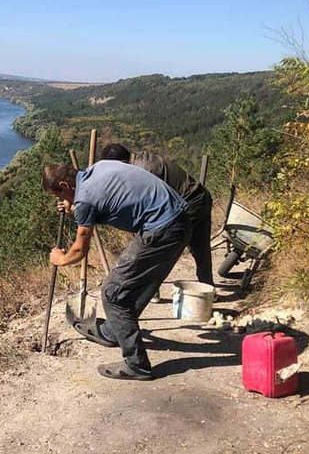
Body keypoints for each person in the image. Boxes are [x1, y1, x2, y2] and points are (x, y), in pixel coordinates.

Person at [43, 160, 192, 380]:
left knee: (112, 293)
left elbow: (79, 251)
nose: (61, 202)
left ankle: (137, 364)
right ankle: (113, 332)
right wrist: (74, 206)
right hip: (180, 218)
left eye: (59, 197)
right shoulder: (100, 167)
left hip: (161, 229)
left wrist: (60, 259)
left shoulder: (84, 200)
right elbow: (104, 200)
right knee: (137, 285)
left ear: (65, 185)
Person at [101, 143, 214, 286]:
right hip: (200, 196)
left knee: (156, 247)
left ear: (120, 162)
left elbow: (150, 206)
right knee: (201, 247)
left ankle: (151, 290)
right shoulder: (139, 159)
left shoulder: (140, 171)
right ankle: (208, 288)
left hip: (189, 203)